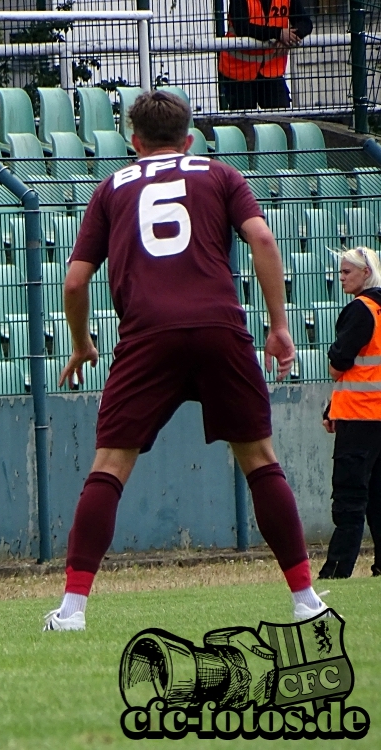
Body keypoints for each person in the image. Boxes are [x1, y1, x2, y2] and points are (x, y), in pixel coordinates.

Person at [43, 90, 327, 632]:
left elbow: (75, 279)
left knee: (109, 467)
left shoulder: (112, 187)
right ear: (189, 138)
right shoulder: (220, 175)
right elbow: (262, 237)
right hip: (220, 326)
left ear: (135, 142)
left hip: (147, 334)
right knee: (260, 460)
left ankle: (74, 609)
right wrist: (279, 325)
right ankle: (305, 600)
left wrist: (81, 344)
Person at [320, 247, 381, 579]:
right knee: (377, 498)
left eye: (346, 272)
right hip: (374, 417)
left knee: (349, 496)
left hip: (359, 418)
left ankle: (337, 569)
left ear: (365, 274)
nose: (340, 277)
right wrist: (333, 406)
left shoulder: (360, 309)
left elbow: (339, 364)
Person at [218, 0, 313, 111]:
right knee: (244, 120)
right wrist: (279, 34)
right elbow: (242, 28)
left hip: (271, 70)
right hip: (239, 72)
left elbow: (306, 23)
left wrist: (290, 38)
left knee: (281, 117)